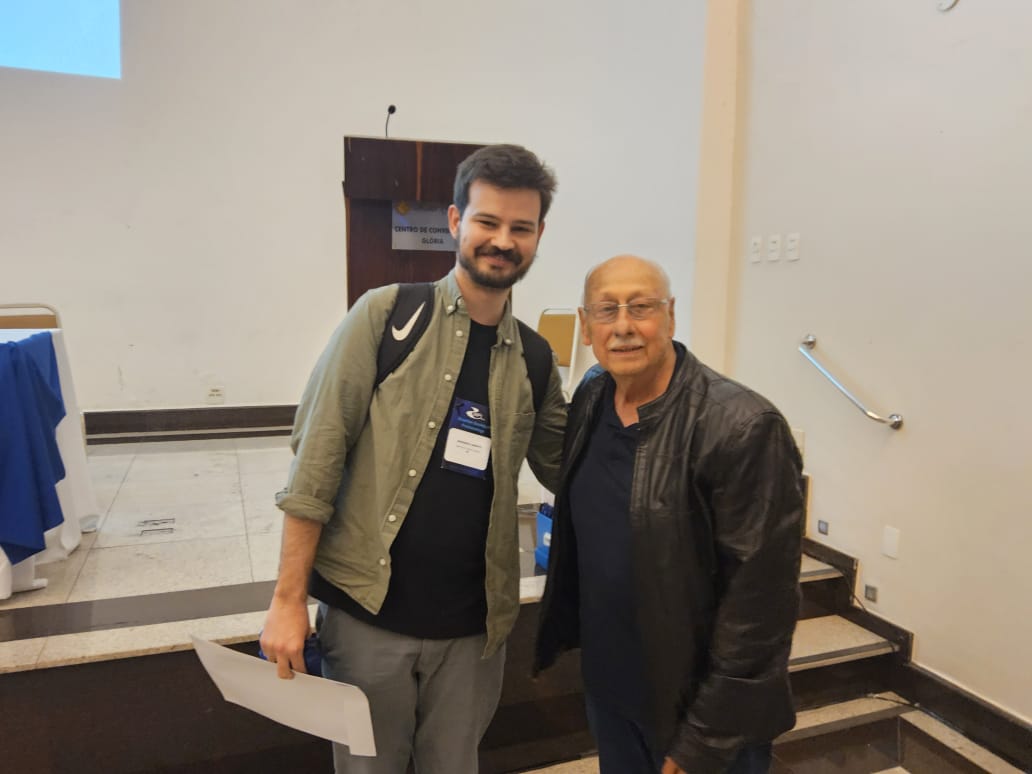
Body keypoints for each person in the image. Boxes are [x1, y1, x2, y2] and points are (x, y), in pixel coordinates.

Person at [260, 144, 566, 774]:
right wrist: (287, 599)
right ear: (455, 221)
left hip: (473, 634)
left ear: (539, 235)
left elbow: (571, 469)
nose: (502, 241)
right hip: (369, 621)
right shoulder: (385, 316)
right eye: (487, 221)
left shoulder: (535, 360)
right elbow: (316, 463)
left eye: (520, 227)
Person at [534, 255, 804, 774]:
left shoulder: (742, 427)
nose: (623, 326)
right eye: (607, 310)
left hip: (698, 717)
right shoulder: (593, 393)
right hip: (613, 692)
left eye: (641, 307)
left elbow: (761, 607)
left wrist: (703, 740)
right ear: (586, 325)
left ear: (671, 316)